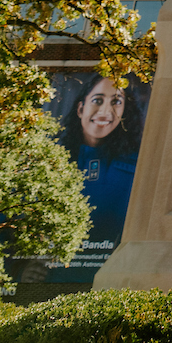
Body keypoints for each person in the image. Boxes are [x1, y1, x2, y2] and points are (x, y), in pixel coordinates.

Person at [57, 74, 142, 256]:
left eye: (116, 102)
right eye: (97, 100)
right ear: (81, 109)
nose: (105, 111)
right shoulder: (52, 160)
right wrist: (22, 266)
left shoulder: (138, 167)